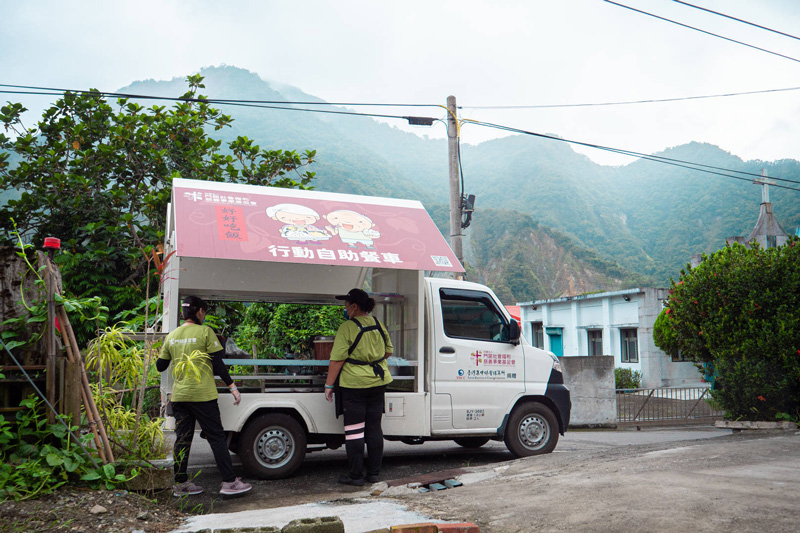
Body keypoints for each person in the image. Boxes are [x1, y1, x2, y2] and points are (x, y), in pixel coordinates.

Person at [157, 295, 252, 497]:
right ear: (199, 311)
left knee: (182, 439)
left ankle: (180, 483)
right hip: (203, 395)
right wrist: (232, 386)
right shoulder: (205, 332)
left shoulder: (172, 335)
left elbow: (160, 366)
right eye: (204, 312)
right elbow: (218, 364)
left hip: (180, 396)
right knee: (216, 437)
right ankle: (229, 482)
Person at [324, 288, 393, 486]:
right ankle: (374, 474)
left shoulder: (347, 327)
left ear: (354, 307)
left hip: (354, 385)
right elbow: (388, 351)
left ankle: (355, 476)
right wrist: (371, 359)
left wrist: (329, 385)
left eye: (346, 306)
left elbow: (337, 359)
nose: (345, 310)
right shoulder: (378, 324)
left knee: (354, 430)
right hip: (378, 382)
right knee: (374, 428)